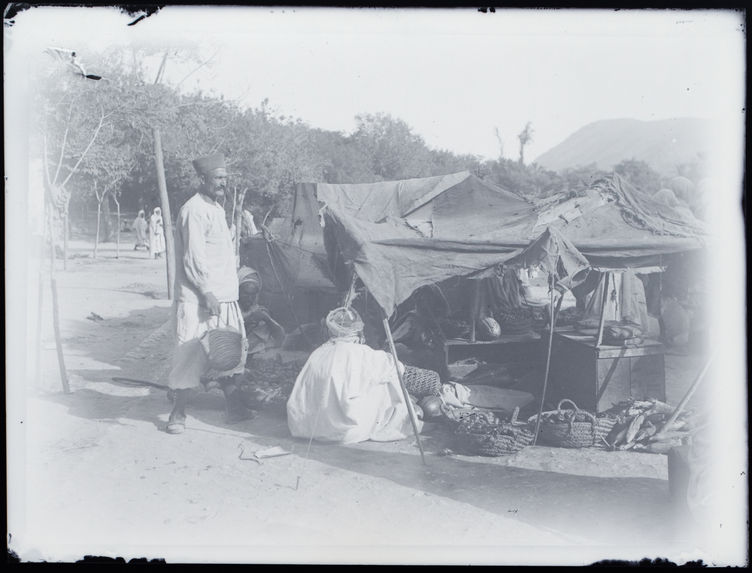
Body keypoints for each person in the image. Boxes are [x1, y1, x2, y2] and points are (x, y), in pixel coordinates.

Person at [165, 153, 255, 434]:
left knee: (224, 351)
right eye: (217, 179)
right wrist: (206, 292)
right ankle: (177, 415)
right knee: (190, 353)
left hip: (222, 296)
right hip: (200, 299)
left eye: (225, 179)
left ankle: (235, 407)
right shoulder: (194, 210)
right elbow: (194, 258)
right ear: (202, 179)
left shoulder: (215, 208)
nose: (222, 184)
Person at [286, 307, 422, 444]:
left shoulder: (319, 352)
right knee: (388, 379)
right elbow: (398, 368)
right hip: (348, 431)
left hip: (307, 427)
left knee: (373, 377)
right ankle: (401, 422)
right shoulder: (363, 353)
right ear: (357, 330)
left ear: (330, 330)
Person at [237, 266, 285, 355]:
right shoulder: (230, 310)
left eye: (253, 294)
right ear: (238, 291)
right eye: (246, 293)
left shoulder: (258, 310)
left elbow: (280, 337)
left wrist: (267, 319)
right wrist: (249, 317)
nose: (250, 298)